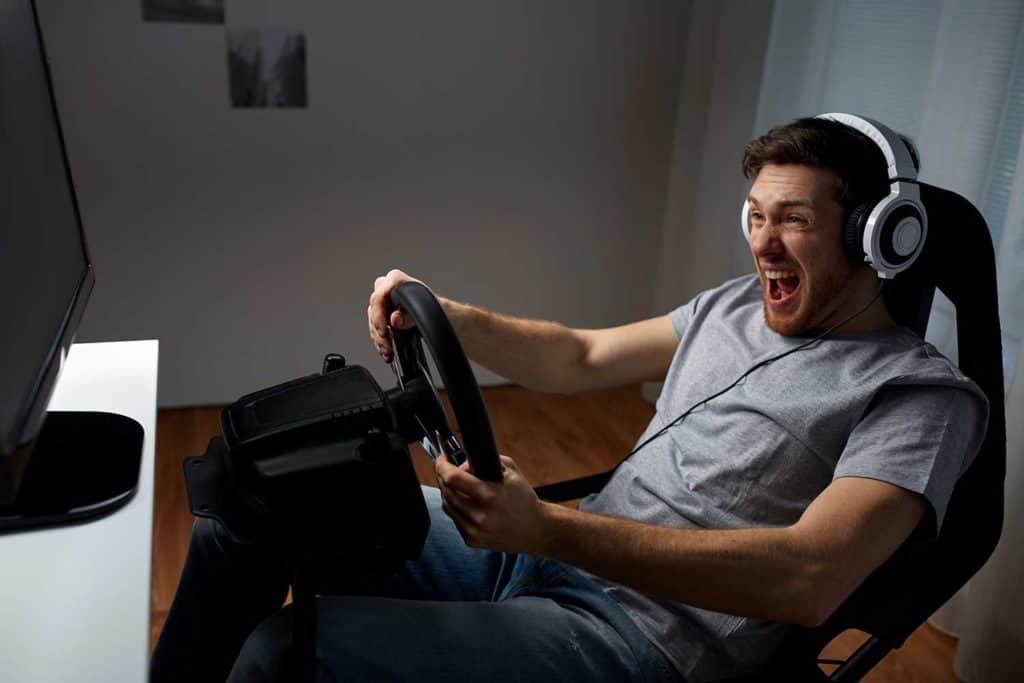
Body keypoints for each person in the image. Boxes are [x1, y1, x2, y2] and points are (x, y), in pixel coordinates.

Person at [151, 116, 988, 682]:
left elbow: (810, 577)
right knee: (251, 515)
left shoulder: (920, 397)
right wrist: (453, 314)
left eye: (793, 220)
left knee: (277, 656)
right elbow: (585, 355)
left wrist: (549, 526)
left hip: (641, 640)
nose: (763, 242)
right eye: (756, 215)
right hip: (551, 550)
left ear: (877, 235)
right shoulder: (734, 304)